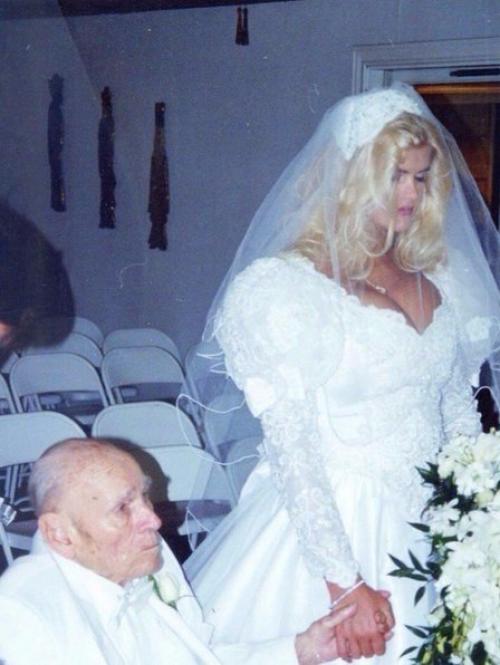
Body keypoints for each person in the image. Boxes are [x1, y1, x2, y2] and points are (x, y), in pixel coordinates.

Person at [183, 83, 500, 663]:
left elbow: (458, 414)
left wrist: (479, 527)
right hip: (331, 527)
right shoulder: (287, 288)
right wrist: (344, 584)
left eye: (421, 176)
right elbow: (293, 447)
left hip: (431, 529)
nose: (412, 193)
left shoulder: (444, 280)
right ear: (352, 175)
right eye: (396, 176)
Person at [0, 438, 361, 665]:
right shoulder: (21, 611)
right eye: (122, 508)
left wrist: (303, 649)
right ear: (59, 534)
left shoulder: (144, 559)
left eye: (144, 497)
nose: (153, 520)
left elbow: (196, 656)